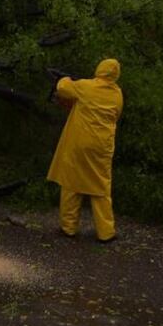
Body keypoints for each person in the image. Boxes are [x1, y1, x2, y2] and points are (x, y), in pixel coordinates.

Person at [46, 58, 123, 242]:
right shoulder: (117, 94)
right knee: (101, 187)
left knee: (71, 184)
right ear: (115, 74)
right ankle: (106, 232)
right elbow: (116, 115)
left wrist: (64, 79)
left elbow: (63, 89)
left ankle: (69, 228)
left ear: (99, 69)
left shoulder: (85, 86)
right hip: (102, 147)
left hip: (78, 143)